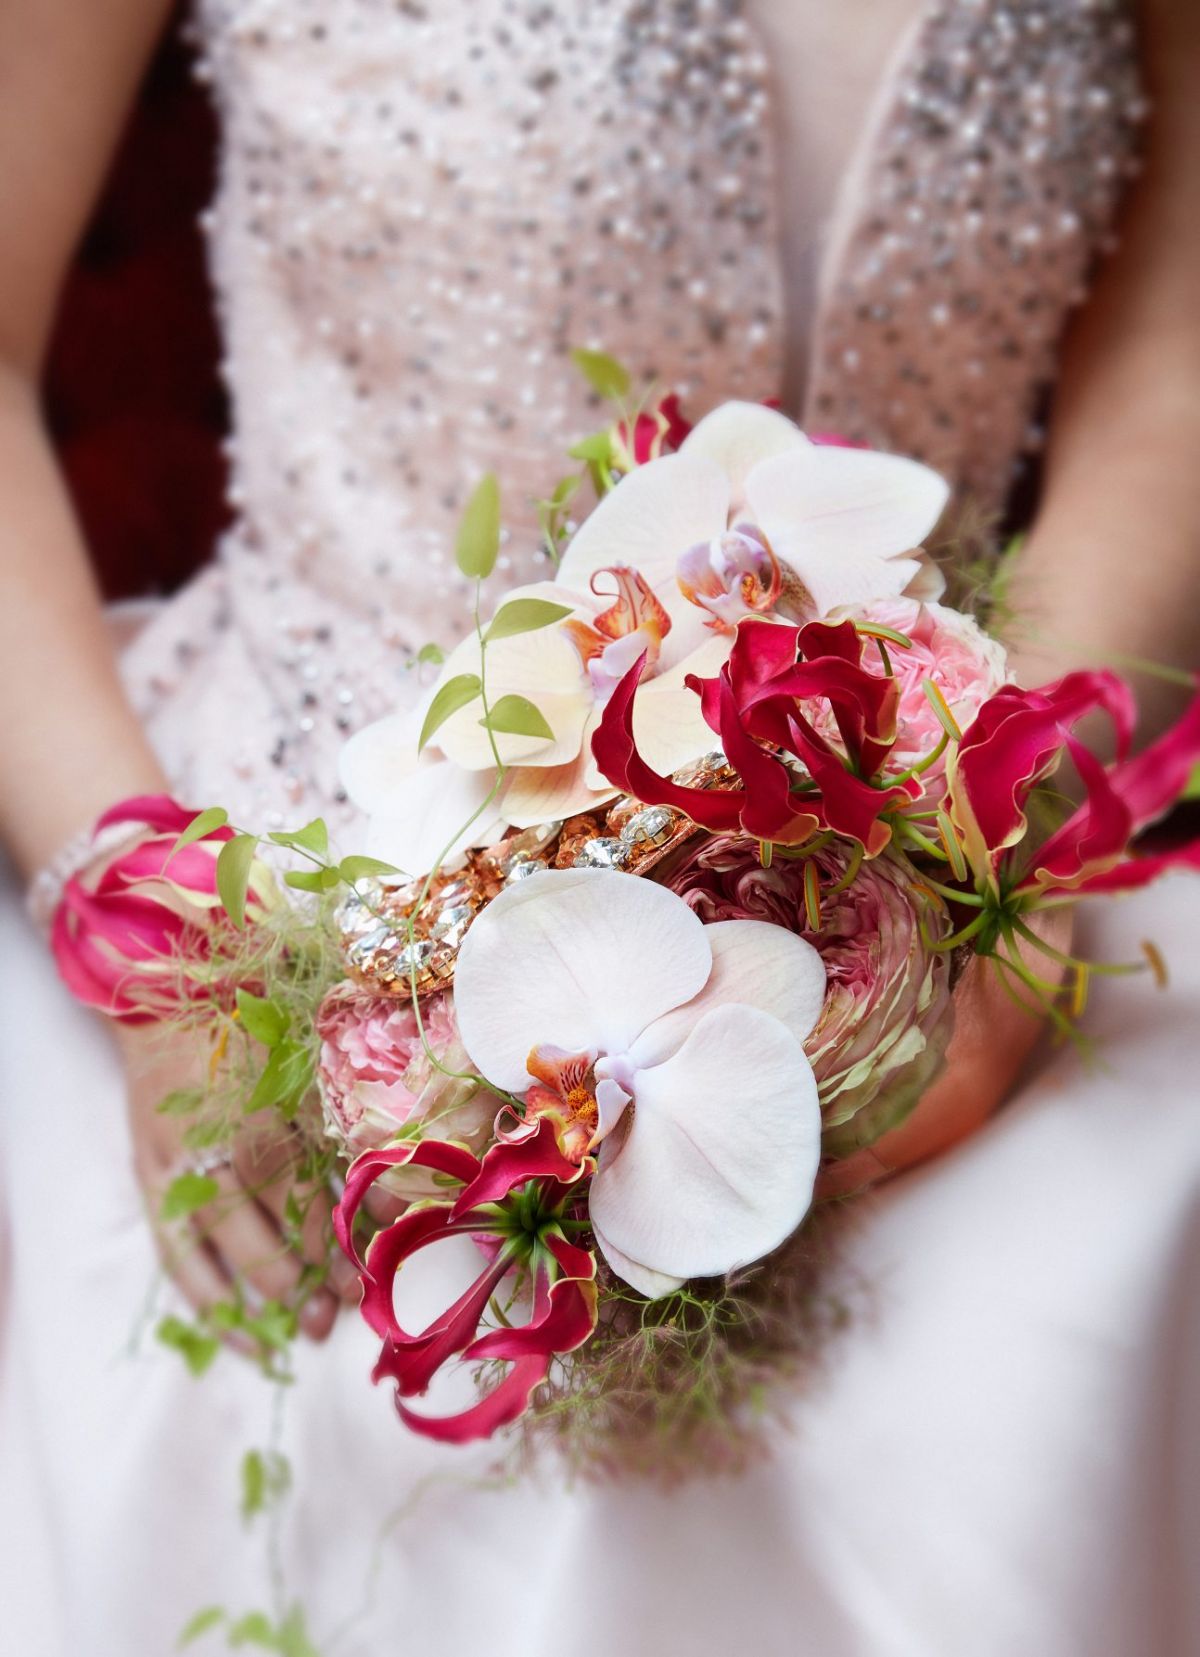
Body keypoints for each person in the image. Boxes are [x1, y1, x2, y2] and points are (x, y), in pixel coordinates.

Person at [1, 2, 1197, 1652]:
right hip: (295, 912)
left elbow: (1175, 353)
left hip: (942, 931)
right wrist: (150, 927)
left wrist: (987, 843)